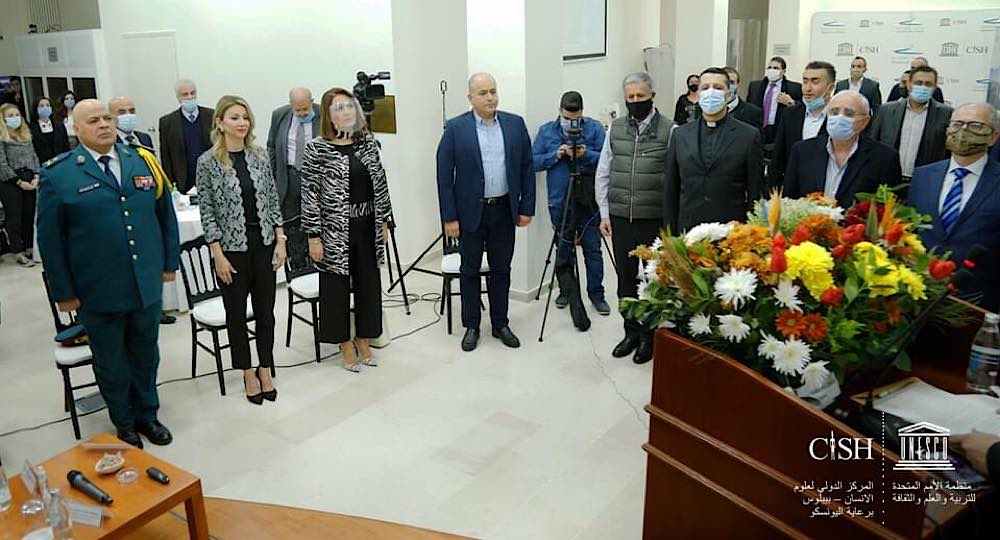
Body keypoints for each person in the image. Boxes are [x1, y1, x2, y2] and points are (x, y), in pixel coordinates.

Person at [36, 99, 180, 448]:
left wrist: (168, 264)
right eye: (93, 120)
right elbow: (50, 242)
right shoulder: (58, 174)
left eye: (107, 118)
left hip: (144, 282)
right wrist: (64, 292)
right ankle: (124, 422)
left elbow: (165, 216)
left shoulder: (141, 160)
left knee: (146, 354)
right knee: (111, 361)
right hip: (97, 288)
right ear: (76, 128)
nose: (103, 124)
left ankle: (148, 414)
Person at [436, 72, 535, 352]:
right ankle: (472, 325)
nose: (490, 97)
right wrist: (449, 217)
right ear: (470, 97)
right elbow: (444, 175)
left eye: (493, 91)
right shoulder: (456, 128)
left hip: (503, 210)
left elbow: (527, 167)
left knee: (501, 269)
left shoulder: (515, 124)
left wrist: (526, 207)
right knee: (469, 270)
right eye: (483, 93)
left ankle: (500, 323)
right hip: (469, 213)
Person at [196, 95, 285, 403]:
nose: (242, 123)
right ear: (220, 123)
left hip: (264, 245)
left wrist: (281, 239)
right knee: (236, 314)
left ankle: (265, 367)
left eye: (245, 117)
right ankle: (247, 371)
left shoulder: (259, 156)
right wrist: (217, 254)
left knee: (266, 313)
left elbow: (272, 200)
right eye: (234, 117)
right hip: (231, 252)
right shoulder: (208, 162)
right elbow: (207, 211)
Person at [301, 87, 393, 371]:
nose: (346, 111)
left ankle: (364, 338)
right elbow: (309, 194)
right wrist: (313, 236)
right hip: (334, 230)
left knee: (368, 284)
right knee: (336, 288)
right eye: (339, 108)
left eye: (350, 106)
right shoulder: (317, 148)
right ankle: (343, 342)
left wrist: (384, 221)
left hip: (367, 225)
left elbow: (381, 184)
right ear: (328, 116)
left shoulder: (367, 144)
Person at [595, 71, 669, 365]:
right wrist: (604, 212)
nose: (636, 101)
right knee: (625, 279)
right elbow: (603, 172)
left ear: (652, 96)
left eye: (641, 96)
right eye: (631, 97)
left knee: (652, 280)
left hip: (653, 218)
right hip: (620, 217)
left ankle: (649, 336)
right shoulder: (615, 128)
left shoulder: (670, 130)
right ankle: (630, 331)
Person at [908, 103, 1000, 312]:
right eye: (957, 124)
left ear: (993, 136)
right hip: (918, 297)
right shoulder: (923, 175)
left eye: (975, 125)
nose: (963, 131)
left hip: (977, 302)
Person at [532, 90, 609, 325]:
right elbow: (533, 161)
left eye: (575, 119)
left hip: (588, 199)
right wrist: (556, 155)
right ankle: (566, 292)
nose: (571, 123)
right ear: (560, 111)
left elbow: (607, 159)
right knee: (563, 249)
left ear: (582, 113)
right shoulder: (547, 131)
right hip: (559, 200)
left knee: (593, 248)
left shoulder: (595, 129)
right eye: (567, 118)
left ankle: (596, 294)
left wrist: (585, 154)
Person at [664, 67, 763, 231]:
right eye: (705, 87)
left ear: (728, 94)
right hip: (688, 230)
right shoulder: (680, 135)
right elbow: (671, 189)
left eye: (718, 87)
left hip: (731, 231)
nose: (711, 92)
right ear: (698, 94)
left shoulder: (748, 136)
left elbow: (755, 192)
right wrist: (670, 234)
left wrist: (750, 233)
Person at [783, 91, 901, 208]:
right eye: (834, 112)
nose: (839, 117)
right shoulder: (802, 151)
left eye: (849, 114)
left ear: (864, 122)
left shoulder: (884, 158)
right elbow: (788, 200)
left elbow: (888, 209)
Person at [266, 86, 321, 269]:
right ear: (291, 105)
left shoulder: (324, 115)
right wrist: (273, 175)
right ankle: (297, 266)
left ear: (312, 101)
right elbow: (271, 146)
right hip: (288, 178)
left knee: (314, 223)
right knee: (291, 225)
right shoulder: (279, 115)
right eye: (298, 110)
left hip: (314, 179)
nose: (302, 113)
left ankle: (317, 264)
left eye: (306, 108)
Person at [870, 66, 952, 181]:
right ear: (908, 84)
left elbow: (947, 151)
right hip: (887, 179)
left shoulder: (946, 114)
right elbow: (873, 143)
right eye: (918, 83)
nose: (923, 87)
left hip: (925, 180)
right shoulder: (886, 110)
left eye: (928, 84)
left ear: (934, 87)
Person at [767, 61, 835, 190]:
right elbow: (778, 159)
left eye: (815, 82)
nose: (808, 88)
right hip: (792, 191)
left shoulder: (838, 118)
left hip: (825, 192)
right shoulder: (790, 114)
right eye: (805, 81)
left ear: (830, 88)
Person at [0, 103, 40, 267]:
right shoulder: (2, 138)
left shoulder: (25, 135)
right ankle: (18, 251)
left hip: (29, 177)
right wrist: (19, 182)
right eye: (10, 116)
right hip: (10, 180)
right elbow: (2, 164)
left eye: (17, 115)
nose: (15, 118)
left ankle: (29, 247)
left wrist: (36, 175)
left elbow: (34, 156)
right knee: (14, 217)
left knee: (28, 215)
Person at [159, 79, 214, 194]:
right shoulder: (167, 122)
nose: (190, 97)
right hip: (183, 182)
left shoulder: (212, 116)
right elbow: (166, 157)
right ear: (178, 97)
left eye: (192, 93)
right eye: (185, 94)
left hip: (211, 178)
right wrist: (170, 186)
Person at [747, 56, 803, 144]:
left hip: (779, 130)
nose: (772, 70)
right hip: (758, 128)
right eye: (769, 68)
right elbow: (748, 106)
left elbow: (802, 109)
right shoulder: (755, 86)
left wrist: (791, 102)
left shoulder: (794, 88)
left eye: (776, 68)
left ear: (783, 71)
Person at [28, 96, 70, 164]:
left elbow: (66, 147)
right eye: (41, 106)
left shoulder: (60, 126)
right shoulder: (31, 129)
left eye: (48, 105)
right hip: (42, 165)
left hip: (61, 163)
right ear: (36, 109)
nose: (45, 108)